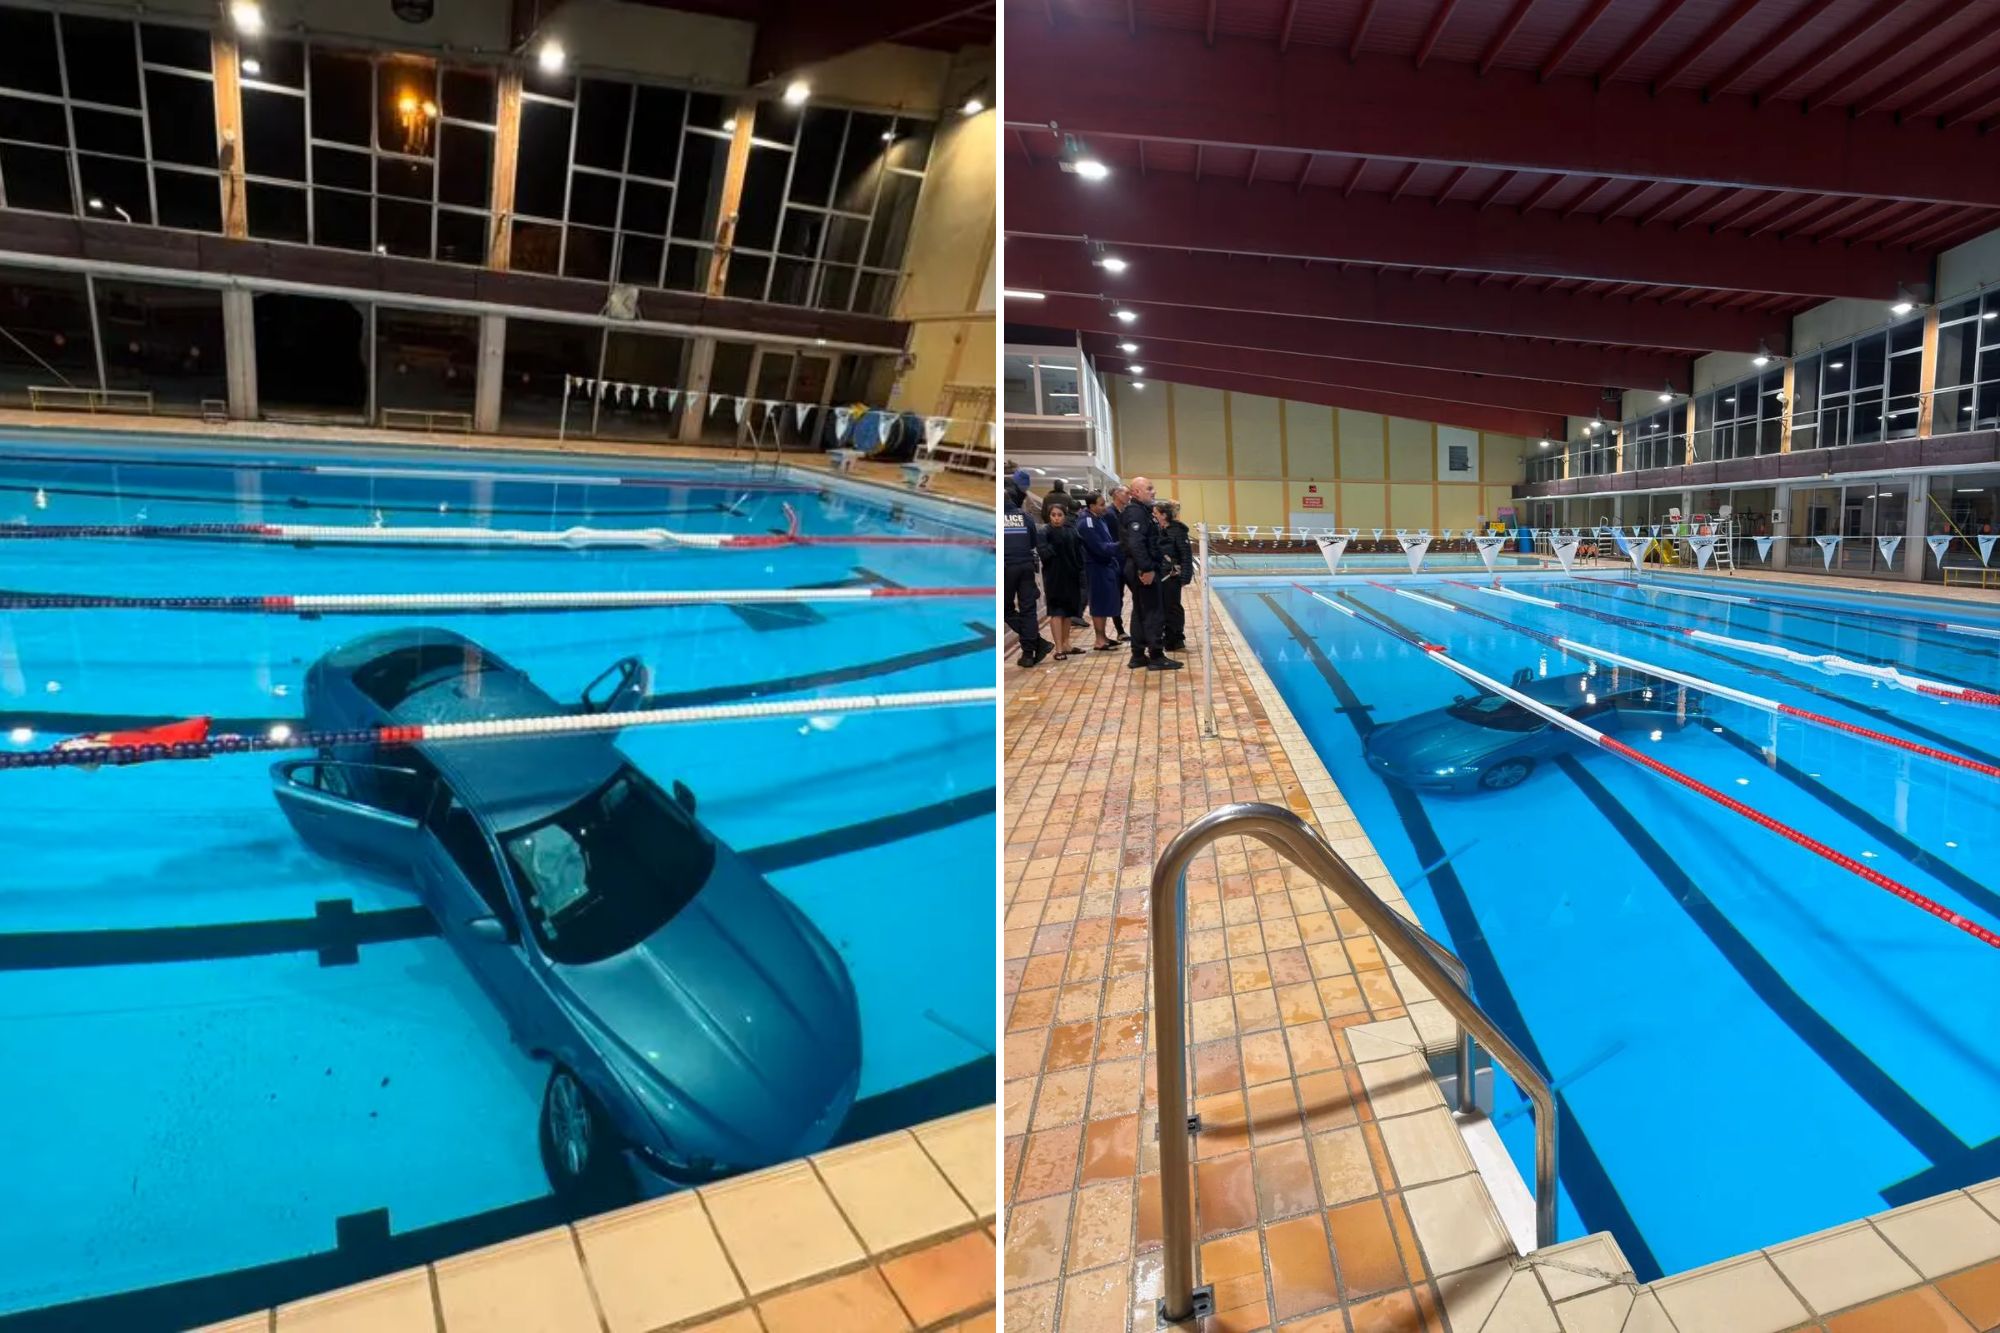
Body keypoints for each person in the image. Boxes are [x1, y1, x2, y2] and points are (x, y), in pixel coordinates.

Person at [1119, 476, 1181, 671]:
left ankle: (1138, 655)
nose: (1153, 492)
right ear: (1136, 492)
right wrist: (1146, 569)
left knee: (1140, 610)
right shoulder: (1136, 513)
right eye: (1149, 488)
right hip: (1141, 567)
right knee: (1154, 611)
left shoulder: (1141, 511)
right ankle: (1156, 655)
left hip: (1137, 565)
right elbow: (1136, 543)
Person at [1003, 488, 1050, 667]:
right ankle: (1029, 653)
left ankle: (1037, 643)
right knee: (1028, 609)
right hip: (1026, 566)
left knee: (1005, 610)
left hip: (1006, 568)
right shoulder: (1025, 517)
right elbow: (1033, 542)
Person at [1076, 492, 1123, 650]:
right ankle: (1099, 640)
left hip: (1105, 565)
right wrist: (1120, 546)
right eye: (1101, 504)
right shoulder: (1087, 522)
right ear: (1092, 506)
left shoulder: (1098, 519)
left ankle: (1103, 637)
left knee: (1105, 602)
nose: (1104, 507)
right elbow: (1098, 547)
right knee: (1099, 602)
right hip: (1096, 566)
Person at [1038, 501, 1085, 659]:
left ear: (1065, 516)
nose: (1056, 518)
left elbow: (1078, 552)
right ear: (1049, 516)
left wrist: (1079, 569)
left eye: (1059, 515)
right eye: (1053, 515)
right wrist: (1055, 545)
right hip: (1054, 577)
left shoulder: (1071, 531)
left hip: (1070, 575)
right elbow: (1044, 553)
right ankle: (1058, 648)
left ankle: (1066, 644)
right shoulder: (1045, 532)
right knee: (1057, 612)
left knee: (1068, 612)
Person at [1156, 499, 1193, 652]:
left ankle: (1176, 638)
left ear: (1164, 515)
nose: (1154, 516)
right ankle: (1167, 635)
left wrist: (1185, 576)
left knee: (1173, 607)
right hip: (1161, 575)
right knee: (1164, 607)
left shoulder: (1178, 531)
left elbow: (1186, 555)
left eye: (1156, 513)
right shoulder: (1160, 529)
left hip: (1172, 576)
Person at [1105, 484, 1132, 640]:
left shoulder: (1126, 512)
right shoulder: (1109, 514)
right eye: (1126, 493)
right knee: (1117, 596)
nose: (1129, 495)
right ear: (1116, 494)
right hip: (1116, 559)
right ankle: (1120, 629)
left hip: (1126, 558)